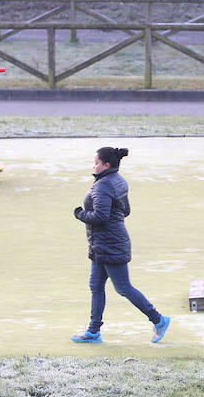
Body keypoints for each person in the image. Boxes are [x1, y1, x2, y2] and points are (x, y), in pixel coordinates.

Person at [71, 146, 170, 344]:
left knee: (123, 287)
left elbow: (100, 216)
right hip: (102, 245)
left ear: (106, 165)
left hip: (110, 245)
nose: (94, 166)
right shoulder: (118, 180)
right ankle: (93, 331)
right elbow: (125, 211)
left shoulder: (103, 185)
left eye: (96, 163)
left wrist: (80, 214)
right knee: (96, 286)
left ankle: (158, 320)